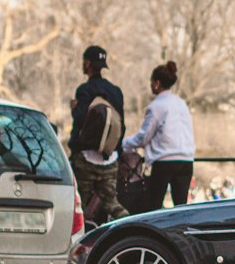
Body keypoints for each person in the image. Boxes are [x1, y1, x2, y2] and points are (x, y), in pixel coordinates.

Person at [123, 60, 195, 211]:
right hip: (186, 160)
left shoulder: (156, 106)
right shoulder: (181, 103)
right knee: (181, 206)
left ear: (157, 83)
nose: (150, 86)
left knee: (153, 205)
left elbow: (143, 137)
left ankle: (153, 234)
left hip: (165, 161)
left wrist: (123, 143)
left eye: (151, 82)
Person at [68, 44, 128, 222]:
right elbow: (121, 125)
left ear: (87, 64)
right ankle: (128, 228)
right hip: (109, 158)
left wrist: (74, 108)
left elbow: (80, 120)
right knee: (111, 203)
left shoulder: (84, 90)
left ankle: (80, 242)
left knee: (79, 204)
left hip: (85, 158)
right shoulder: (116, 92)